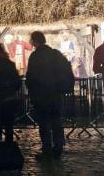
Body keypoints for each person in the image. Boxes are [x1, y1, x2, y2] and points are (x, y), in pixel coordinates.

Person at [25, 31, 73, 161]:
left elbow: (30, 76)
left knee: (44, 123)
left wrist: (31, 91)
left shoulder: (35, 56)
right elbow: (66, 69)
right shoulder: (55, 54)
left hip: (41, 95)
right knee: (56, 120)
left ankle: (46, 149)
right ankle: (58, 147)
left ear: (34, 41)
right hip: (55, 93)